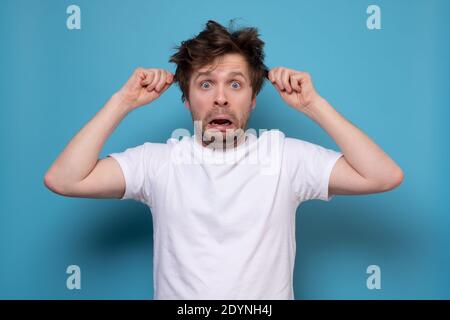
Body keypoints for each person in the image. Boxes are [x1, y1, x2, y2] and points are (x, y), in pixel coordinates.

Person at [44, 20, 403, 300]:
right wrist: (122, 101)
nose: (220, 99)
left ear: (253, 99)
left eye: (235, 84)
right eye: (204, 84)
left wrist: (314, 105)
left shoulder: (285, 156)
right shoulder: (158, 162)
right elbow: (64, 180)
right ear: (186, 100)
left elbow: (383, 176)